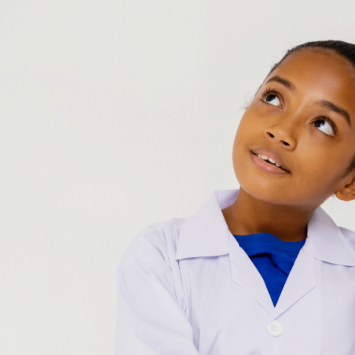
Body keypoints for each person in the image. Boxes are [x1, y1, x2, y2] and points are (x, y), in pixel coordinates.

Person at [114, 40, 355, 354]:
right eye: (273, 97)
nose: (280, 130)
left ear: (350, 182)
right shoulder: (159, 257)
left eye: (322, 124)